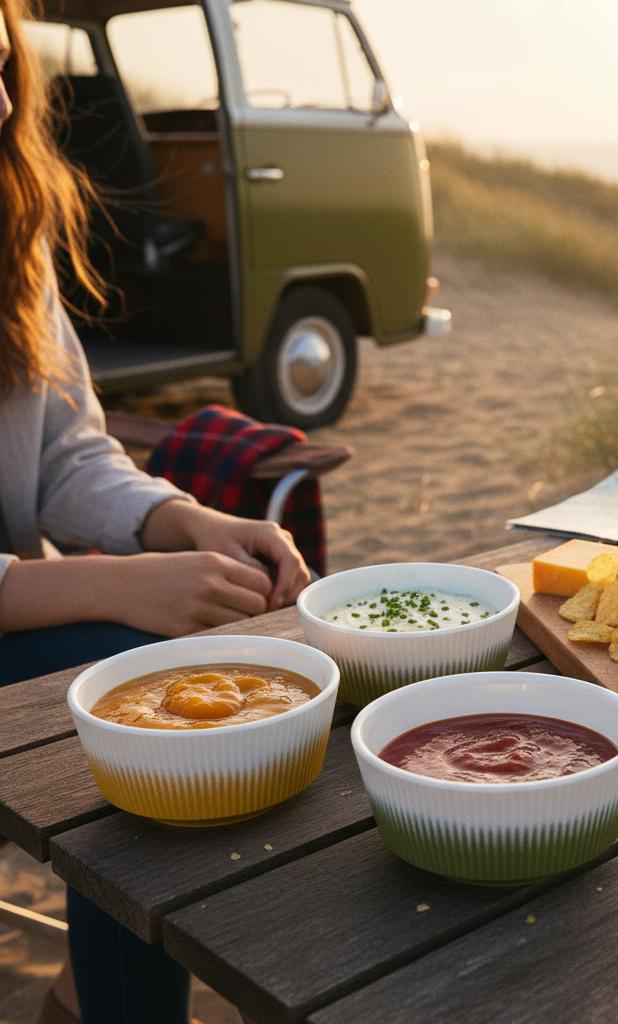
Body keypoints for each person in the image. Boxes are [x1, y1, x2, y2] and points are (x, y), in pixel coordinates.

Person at [0, 1, 311, 1020]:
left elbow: (65, 454)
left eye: (2, 67)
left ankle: (97, 995)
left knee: (179, 718)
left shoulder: (11, 229)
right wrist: (115, 582)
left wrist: (185, 524)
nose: (0, 102)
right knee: (131, 696)